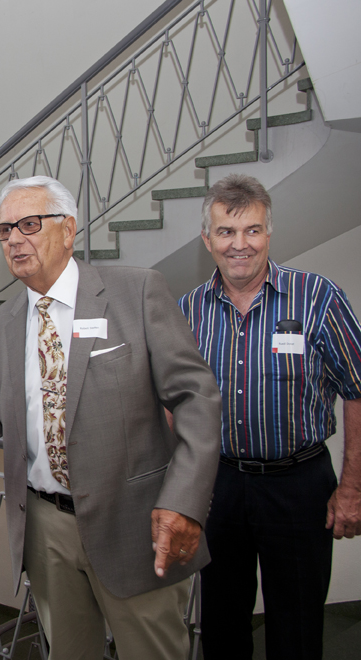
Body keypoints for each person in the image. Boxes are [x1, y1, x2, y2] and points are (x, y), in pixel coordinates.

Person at [0, 176, 222, 659]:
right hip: (46, 529)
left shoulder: (137, 291)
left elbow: (196, 399)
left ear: (69, 229)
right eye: (4, 230)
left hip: (134, 522)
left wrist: (184, 501)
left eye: (29, 225)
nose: (14, 239)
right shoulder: (0, 324)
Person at [178, 173, 361, 660]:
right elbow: (175, 400)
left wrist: (352, 489)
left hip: (299, 486)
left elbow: (358, 389)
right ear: (207, 240)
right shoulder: (188, 310)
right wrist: (177, 489)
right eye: (226, 231)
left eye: (252, 230)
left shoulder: (318, 297)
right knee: (221, 623)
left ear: (268, 233)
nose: (240, 244)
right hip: (218, 486)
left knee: (296, 627)